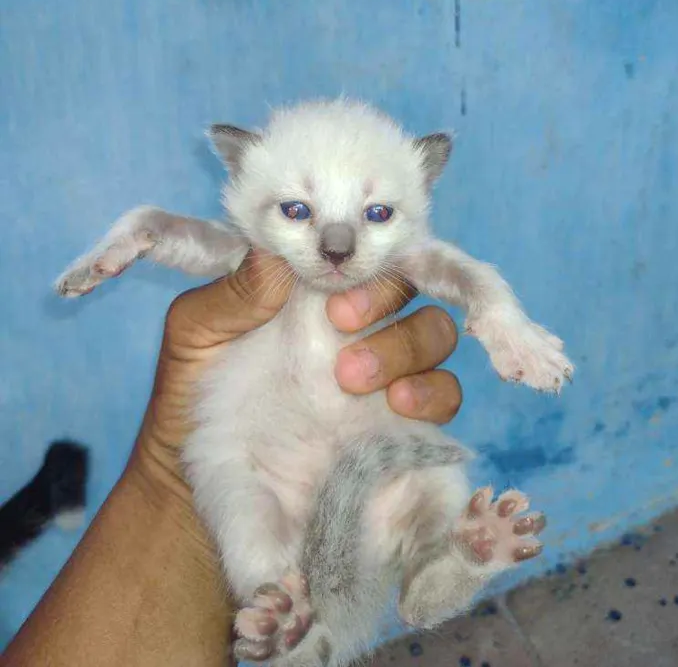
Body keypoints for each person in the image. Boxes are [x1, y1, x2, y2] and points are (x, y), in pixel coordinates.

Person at [4, 250, 462, 667]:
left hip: (286, 497)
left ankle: (422, 562)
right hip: (278, 507)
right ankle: (318, 620)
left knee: (410, 486)